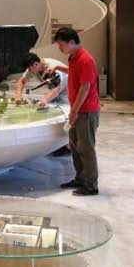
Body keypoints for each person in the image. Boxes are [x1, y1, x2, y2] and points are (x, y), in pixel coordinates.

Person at [52, 28, 101, 196]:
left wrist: (74, 111)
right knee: (75, 146)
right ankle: (80, 178)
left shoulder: (86, 60)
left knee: (86, 148)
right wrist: (59, 67)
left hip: (86, 111)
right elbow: (74, 73)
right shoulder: (73, 57)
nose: (60, 48)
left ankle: (91, 186)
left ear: (72, 42)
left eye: (61, 45)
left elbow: (85, 87)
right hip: (77, 110)